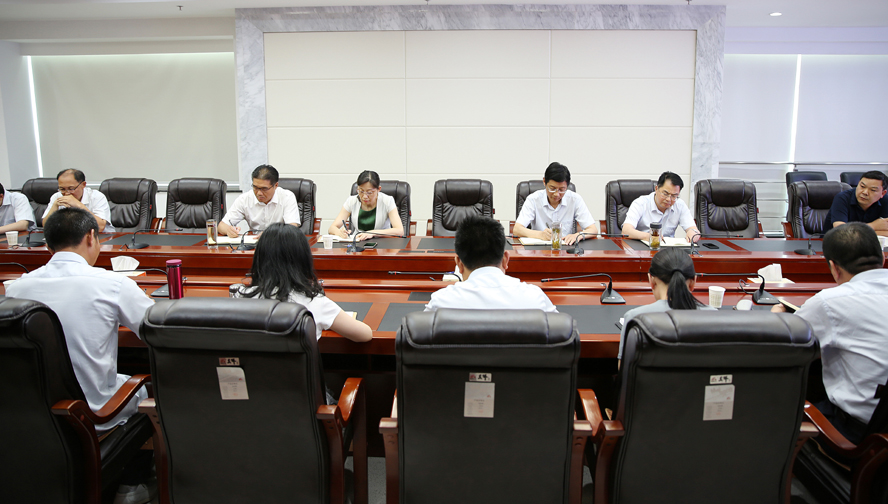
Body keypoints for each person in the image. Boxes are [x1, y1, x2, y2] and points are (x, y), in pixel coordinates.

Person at [6, 208, 155, 503]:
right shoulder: (113, 284)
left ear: (48, 245)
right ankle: (131, 485)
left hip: (31, 418)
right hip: (90, 415)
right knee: (146, 388)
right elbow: (155, 330)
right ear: (91, 237)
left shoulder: (18, 288)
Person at [771, 223, 888, 444]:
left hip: (862, 436)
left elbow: (782, 344)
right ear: (882, 257)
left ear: (833, 267)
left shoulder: (830, 302)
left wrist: (777, 317)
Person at [232, 223, 372, 343]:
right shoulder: (314, 302)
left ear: (259, 258)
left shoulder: (239, 297)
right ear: (303, 260)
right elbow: (365, 334)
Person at [425, 215, 557, 312]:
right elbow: (563, 334)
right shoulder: (536, 299)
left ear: (459, 264)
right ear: (506, 259)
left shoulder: (441, 303)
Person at [618, 247, 714, 361]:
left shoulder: (635, 318)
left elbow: (624, 367)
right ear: (693, 282)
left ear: (651, 281)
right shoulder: (714, 316)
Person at [512, 162, 597, 246]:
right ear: (544, 182)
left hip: (566, 249)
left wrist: (577, 235)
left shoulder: (575, 199)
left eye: (562, 189)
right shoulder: (533, 199)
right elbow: (517, 229)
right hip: (540, 249)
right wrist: (541, 235)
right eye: (552, 188)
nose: (556, 194)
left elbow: (593, 229)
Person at [218, 164, 300, 237]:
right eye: (255, 187)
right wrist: (229, 230)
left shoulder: (287, 197)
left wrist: (268, 235)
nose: (259, 193)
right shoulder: (244, 199)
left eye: (264, 189)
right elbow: (221, 226)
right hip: (253, 244)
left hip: (279, 243)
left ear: (275, 185)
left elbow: (292, 228)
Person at [622, 171, 701, 243]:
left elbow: (694, 230)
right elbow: (626, 231)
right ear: (656, 189)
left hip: (668, 250)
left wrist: (693, 233)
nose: (668, 199)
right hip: (641, 247)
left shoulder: (680, 205)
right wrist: (650, 237)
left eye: (674, 196)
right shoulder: (640, 203)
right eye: (665, 194)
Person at [328, 170, 404, 242]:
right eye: (361, 191)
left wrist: (372, 233)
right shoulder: (351, 201)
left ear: (378, 189)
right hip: (358, 243)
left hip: (382, 244)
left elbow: (399, 230)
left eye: (369, 192)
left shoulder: (387, 201)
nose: (364, 196)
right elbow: (332, 228)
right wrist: (340, 233)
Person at [43, 168, 114, 233]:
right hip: (69, 237)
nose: (66, 193)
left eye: (71, 188)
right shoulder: (57, 196)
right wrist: (55, 206)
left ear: (83, 184)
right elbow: (46, 227)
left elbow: (100, 227)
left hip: (100, 237)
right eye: (62, 189)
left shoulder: (96, 197)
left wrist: (79, 205)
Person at [826, 170, 888, 236]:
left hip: (873, 241)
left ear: (883, 193)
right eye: (862, 186)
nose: (865, 192)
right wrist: (873, 226)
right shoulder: (842, 198)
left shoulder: (886, 201)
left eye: (873, 190)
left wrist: (859, 232)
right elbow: (841, 231)